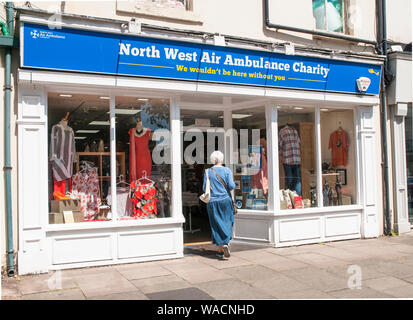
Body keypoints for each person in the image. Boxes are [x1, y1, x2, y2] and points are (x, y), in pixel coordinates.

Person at [203, 151, 235, 260]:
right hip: (225, 200)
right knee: (227, 221)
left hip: (213, 202)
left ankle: (221, 250)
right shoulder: (227, 170)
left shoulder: (208, 172)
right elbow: (231, 185)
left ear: (212, 159)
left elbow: (204, 188)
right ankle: (225, 243)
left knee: (216, 224)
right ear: (222, 159)